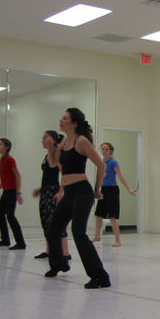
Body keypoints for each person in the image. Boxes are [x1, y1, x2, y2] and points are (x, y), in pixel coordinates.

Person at [45, 108, 111, 288]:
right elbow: (54, 164)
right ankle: (59, 264)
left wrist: (97, 189)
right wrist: (51, 148)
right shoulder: (65, 141)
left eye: (65, 118)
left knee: (78, 232)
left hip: (82, 191)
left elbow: (101, 165)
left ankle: (100, 276)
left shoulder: (81, 141)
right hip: (69, 192)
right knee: (53, 230)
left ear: (74, 123)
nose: (61, 120)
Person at [32, 130, 71, 261]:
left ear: (53, 140)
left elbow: (63, 174)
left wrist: (61, 192)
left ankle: (66, 252)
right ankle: (48, 250)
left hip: (53, 192)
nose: (42, 141)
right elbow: (48, 175)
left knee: (57, 221)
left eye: (45, 138)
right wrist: (41, 189)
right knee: (46, 221)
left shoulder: (56, 154)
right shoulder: (47, 155)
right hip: (45, 191)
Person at [92, 141, 137, 246]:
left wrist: (129, 189)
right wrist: (97, 190)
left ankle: (118, 241)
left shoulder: (113, 162)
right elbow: (100, 178)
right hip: (103, 190)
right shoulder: (101, 162)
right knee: (98, 215)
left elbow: (121, 177)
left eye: (106, 149)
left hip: (113, 191)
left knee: (112, 216)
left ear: (111, 151)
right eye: (103, 149)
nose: (104, 151)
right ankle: (97, 236)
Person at [0, 138, 26, 250]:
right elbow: (3, 180)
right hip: (6, 191)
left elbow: (18, 176)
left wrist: (18, 193)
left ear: (7, 147)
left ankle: (21, 243)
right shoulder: (0, 162)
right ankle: (5, 240)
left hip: (12, 192)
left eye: (0, 144)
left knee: (10, 216)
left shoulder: (9, 159)